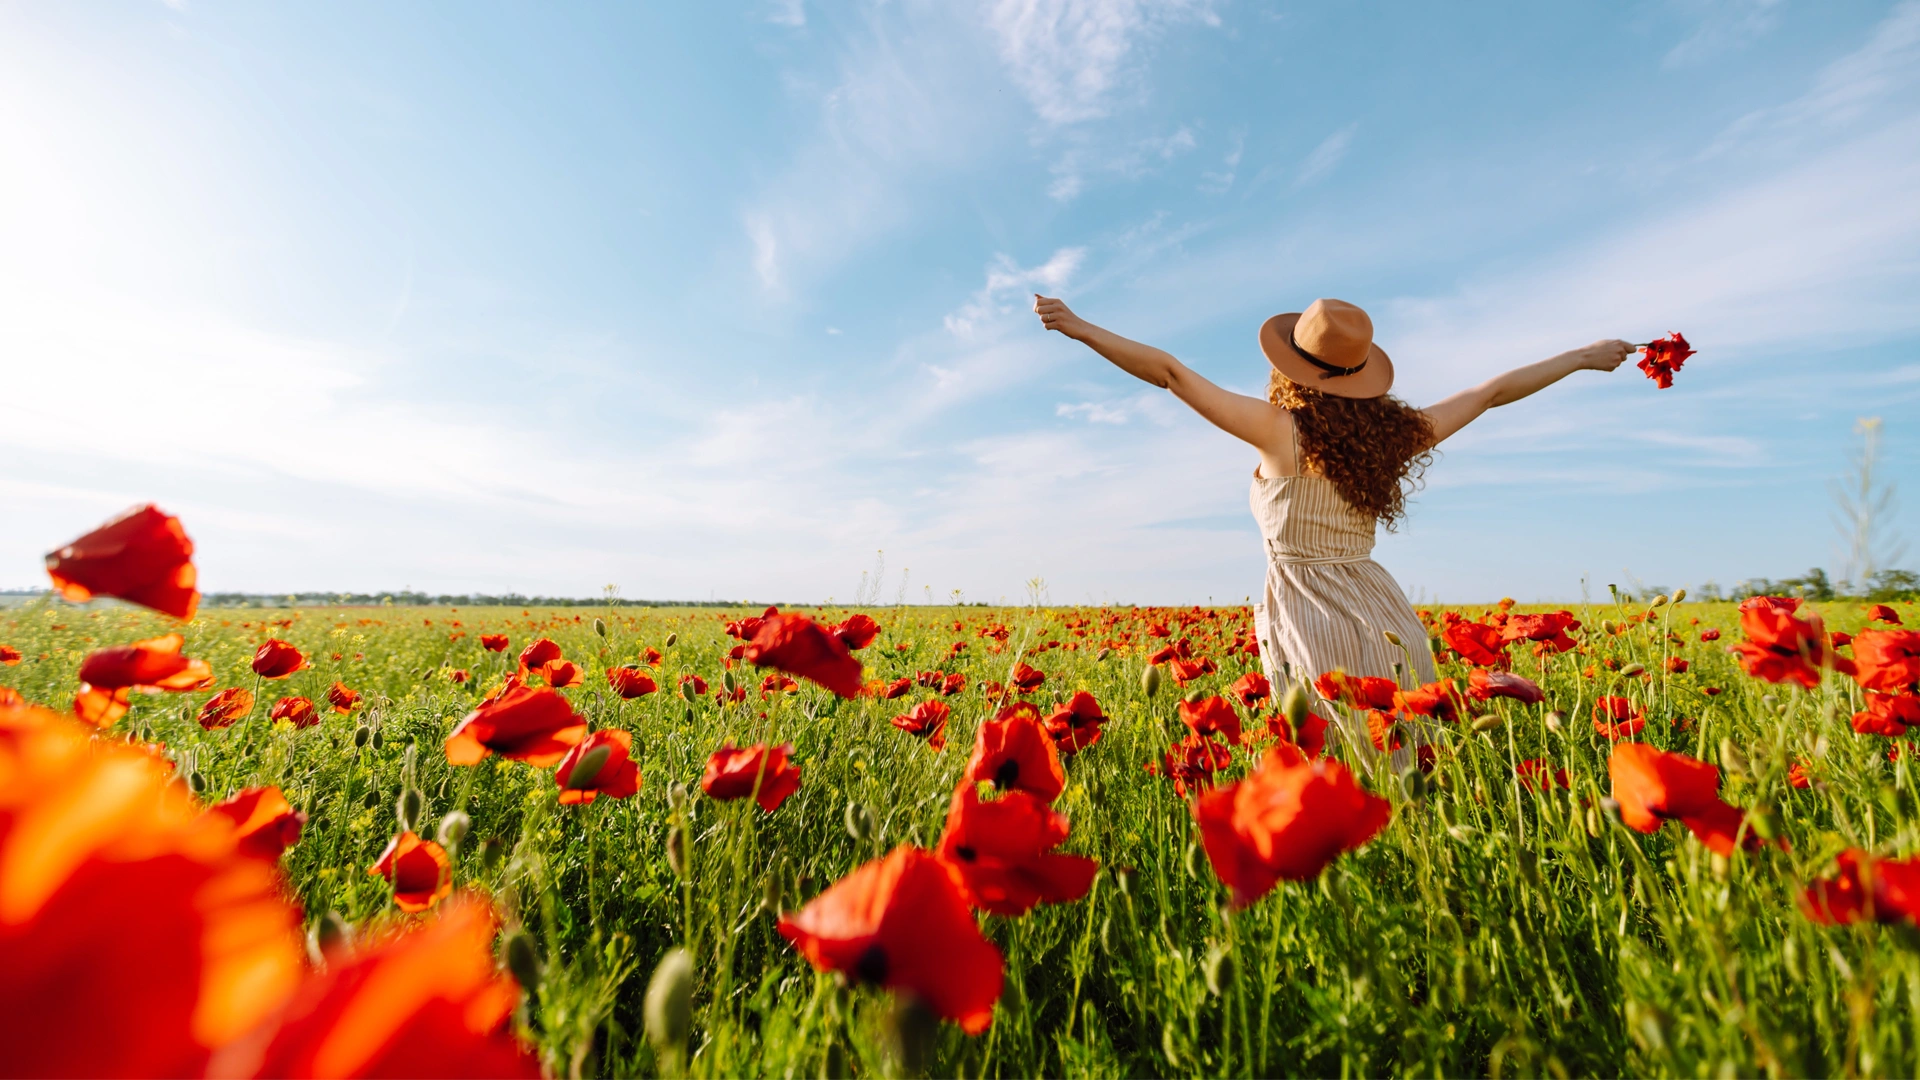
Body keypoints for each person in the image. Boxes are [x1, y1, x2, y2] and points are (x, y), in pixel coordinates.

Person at [1033, 294, 1631, 758]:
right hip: (1385, 611)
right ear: (1361, 372)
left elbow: (1170, 372)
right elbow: (1491, 393)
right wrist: (1581, 357)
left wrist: (1080, 327)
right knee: (1400, 755)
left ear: (1291, 366)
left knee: (1333, 760)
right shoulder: (1394, 437)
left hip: (1308, 613)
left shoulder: (1278, 431)